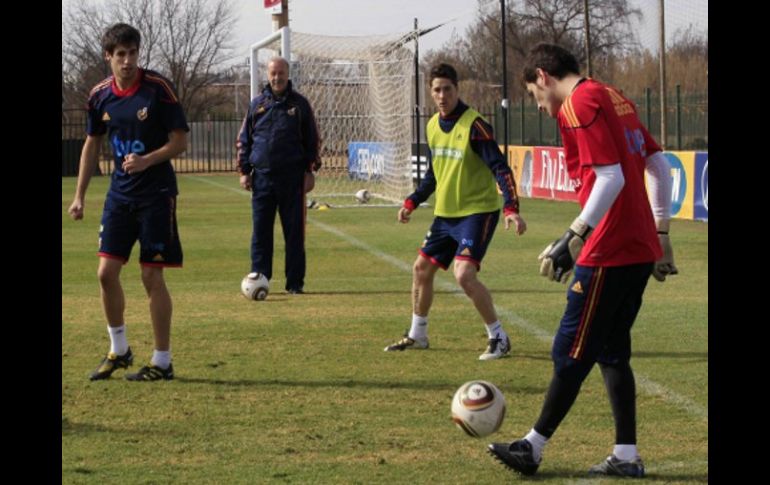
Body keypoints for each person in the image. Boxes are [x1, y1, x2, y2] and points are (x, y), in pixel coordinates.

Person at [487, 43, 678, 477]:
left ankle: (531, 448)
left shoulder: (578, 104)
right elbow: (659, 164)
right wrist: (662, 232)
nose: (539, 107)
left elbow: (610, 175)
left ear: (543, 76)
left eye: (535, 96)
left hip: (608, 249)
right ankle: (626, 455)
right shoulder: (614, 96)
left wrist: (574, 235)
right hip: (637, 246)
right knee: (612, 352)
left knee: (569, 350)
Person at [68, 23, 189, 382]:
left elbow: (180, 141)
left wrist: (148, 159)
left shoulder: (158, 89)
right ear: (108, 57)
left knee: (151, 275)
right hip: (120, 196)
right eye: (120, 54)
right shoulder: (99, 96)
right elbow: (92, 144)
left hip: (156, 194)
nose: (128, 61)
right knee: (105, 273)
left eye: (133, 53)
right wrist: (79, 196)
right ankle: (119, 350)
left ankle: (162, 360)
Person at [384, 63, 527, 360]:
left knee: (464, 274)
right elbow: (435, 174)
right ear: (430, 92)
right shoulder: (433, 125)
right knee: (421, 270)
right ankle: (418, 335)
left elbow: (500, 168)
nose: (441, 95)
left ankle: (498, 337)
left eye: (447, 89)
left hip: (477, 213)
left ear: (457, 89)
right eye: (436, 89)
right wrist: (413, 200)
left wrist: (511, 208)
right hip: (445, 215)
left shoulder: (475, 125)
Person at [237, 56, 321, 294]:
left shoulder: (300, 105)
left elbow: (313, 140)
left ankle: (295, 284)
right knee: (261, 233)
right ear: (268, 74)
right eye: (273, 73)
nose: (277, 77)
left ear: (287, 74)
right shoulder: (257, 105)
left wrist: (310, 171)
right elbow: (244, 140)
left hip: (292, 179)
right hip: (262, 178)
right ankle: (259, 279)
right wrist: (244, 171)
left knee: (294, 234)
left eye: (281, 73)